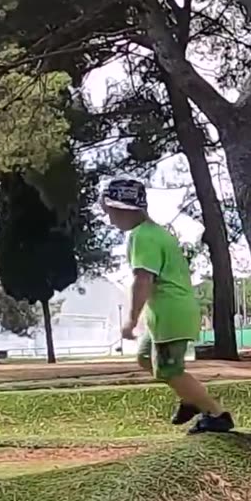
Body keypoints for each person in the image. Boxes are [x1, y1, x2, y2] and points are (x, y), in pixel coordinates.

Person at [102, 178, 234, 434]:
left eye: (110, 213)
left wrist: (131, 320)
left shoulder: (142, 237)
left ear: (122, 209)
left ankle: (217, 415)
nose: (110, 220)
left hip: (171, 315)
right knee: (144, 358)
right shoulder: (154, 232)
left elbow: (143, 280)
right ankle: (190, 399)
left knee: (169, 370)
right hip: (166, 316)